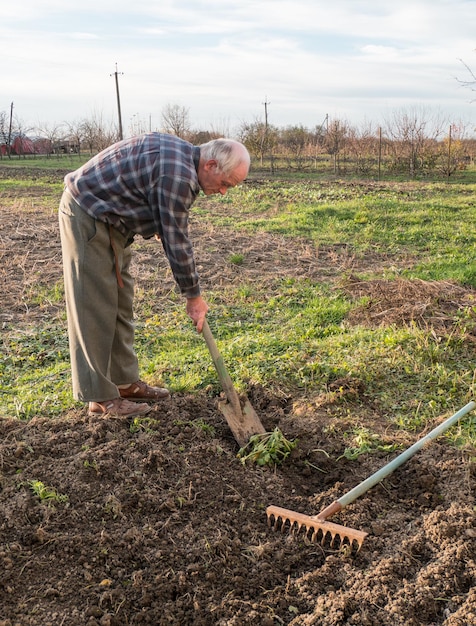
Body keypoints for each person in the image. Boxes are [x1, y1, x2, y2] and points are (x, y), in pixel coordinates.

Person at [58, 133, 250, 418]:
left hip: (114, 222)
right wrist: (193, 297)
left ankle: (124, 383)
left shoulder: (184, 160)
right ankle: (99, 398)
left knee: (121, 302)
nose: (223, 192)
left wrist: (156, 218)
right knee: (94, 306)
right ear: (210, 165)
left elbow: (150, 194)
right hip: (88, 214)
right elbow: (177, 241)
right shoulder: (179, 177)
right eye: (225, 184)